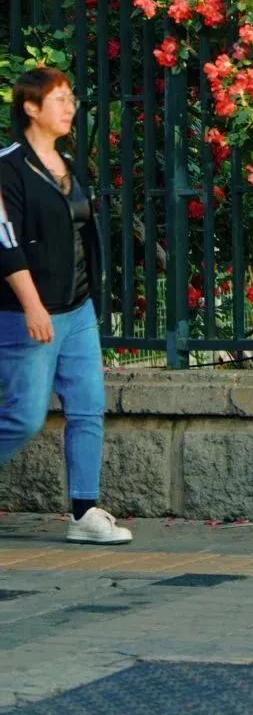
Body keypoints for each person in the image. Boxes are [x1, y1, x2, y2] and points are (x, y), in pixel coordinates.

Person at [0, 68, 132, 544]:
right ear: (30, 108)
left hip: (78, 310)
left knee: (87, 409)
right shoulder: (7, 167)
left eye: (70, 98)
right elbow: (5, 243)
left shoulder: (69, 164)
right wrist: (33, 306)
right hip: (28, 314)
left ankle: (84, 512)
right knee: (24, 416)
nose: (69, 106)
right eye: (58, 99)